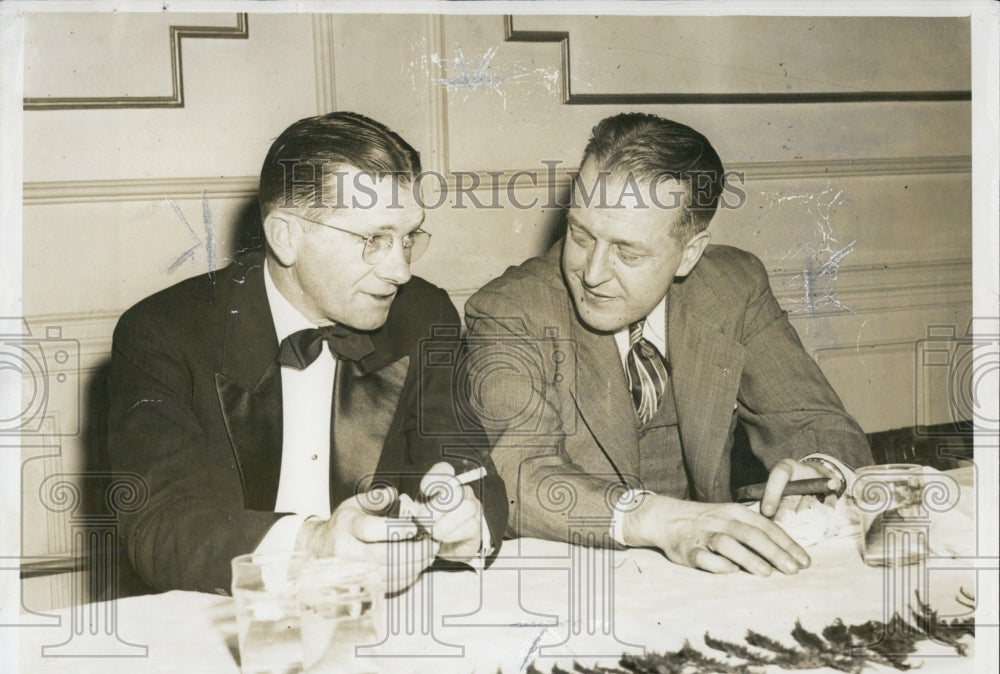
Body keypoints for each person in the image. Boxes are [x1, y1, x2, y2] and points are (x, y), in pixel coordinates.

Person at [108, 112, 507, 594]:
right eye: (373, 240)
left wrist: (465, 516)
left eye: (408, 238)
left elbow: (465, 460)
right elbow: (161, 528)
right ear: (285, 236)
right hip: (227, 614)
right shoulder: (164, 332)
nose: (400, 270)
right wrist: (314, 544)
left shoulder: (424, 315)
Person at [464, 112, 873, 577]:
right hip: (572, 579)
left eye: (628, 251)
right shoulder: (510, 309)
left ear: (691, 253)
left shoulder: (732, 287)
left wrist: (818, 472)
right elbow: (516, 477)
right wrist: (660, 520)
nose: (592, 273)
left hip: (706, 580)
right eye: (580, 235)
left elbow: (815, 420)